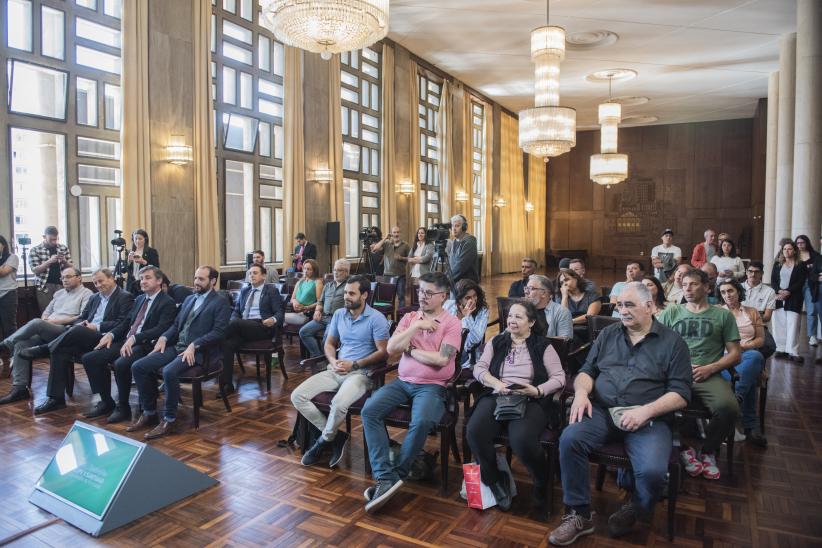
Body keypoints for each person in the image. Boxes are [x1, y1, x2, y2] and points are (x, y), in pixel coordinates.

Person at [549, 283, 691, 545]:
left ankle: (636, 506)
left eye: (630, 305)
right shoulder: (608, 335)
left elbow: (681, 394)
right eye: (619, 305)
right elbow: (587, 372)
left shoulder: (673, 343)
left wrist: (646, 411)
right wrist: (581, 393)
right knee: (570, 439)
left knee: (651, 472)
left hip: (648, 418)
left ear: (649, 306)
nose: (622, 311)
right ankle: (579, 514)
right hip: (603, 411)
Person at [360, 272, 462, 513]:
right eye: (421, 291)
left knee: (422, 421)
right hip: (402, 381)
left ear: (443, 296)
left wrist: (412, 349)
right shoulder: (409, 318)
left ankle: (397, 475)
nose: (423, 296)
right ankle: (385, 476)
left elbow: (440, 360)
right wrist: (416, 325)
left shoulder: (452, 323)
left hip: (432, 386)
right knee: (369, 411)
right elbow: (392, 349)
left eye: (429, 293)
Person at [466, 301, 565, 512]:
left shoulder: (542, 345)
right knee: (475, 431)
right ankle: (493, 479)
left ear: (531, 322)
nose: (512, 320)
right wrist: (496, 383)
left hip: (529, 398)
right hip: (497, 394)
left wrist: (537, 390)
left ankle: (541, 479)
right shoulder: (497, 341)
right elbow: (479, 368)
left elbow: (559, 378)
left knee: (522, 440)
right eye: (510, 316)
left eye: (518, 317)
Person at [291, 275, 390, 468]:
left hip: (361, 374)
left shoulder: (376, 318)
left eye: (351, 293)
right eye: (345, 292)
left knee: (338, 403)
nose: (346, 296)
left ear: (364, 295)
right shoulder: (338, 314)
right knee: (297, 396)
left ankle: (322, 442)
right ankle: (336, 437)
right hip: (335, 369)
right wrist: (333, 360)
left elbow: (383, 352)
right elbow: (329, 343)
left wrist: (355, 364)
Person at [128, 266, 230, 440]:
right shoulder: (189, 299)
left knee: (169, 371)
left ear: (213, 281)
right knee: (139, 366)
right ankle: (150, 411)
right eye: (196, 278)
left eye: (201, 279)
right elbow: (176, 326)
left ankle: (169, 419)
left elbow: (219, 332)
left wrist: (195, 345)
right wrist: (164, 338)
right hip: (178, 347)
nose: (196, 282)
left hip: (200, 353)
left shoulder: (220, 301)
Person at [658, 268, 741, 481]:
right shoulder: (672, 312)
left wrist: (711, 368)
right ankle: (684, 448)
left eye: (693, 284)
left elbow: (735, 354)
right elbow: (655, 346)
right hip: (675, 374)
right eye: (684, 285)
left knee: (728, 407)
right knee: (650, 401)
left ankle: (708, 451)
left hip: (708, 374)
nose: (688, 289)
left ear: (706, 287)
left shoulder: (722, 315)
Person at [80, 266, 177, 424]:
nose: (143, 281)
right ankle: (106, 402)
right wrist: (111, 334)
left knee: (121, 363)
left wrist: (136, 338)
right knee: (90, 359)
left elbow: (161, 329)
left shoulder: (167, 302)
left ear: (159, 281)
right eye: (141, 278)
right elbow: (126, 323)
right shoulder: (139, 299)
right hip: (126, 340)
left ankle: (123, 406)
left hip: (146, 345)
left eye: (147, 278)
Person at [31, 268, 135, 415]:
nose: (98, 285)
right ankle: (55, 399)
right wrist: (82, 324)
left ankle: (45, 348)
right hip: (88, 337)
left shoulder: (125, 297)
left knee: (77, 332)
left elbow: (123, 323)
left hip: (110, 338)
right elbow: (82, 317)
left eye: (101, 281)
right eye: (95, 282)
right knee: (60, 350)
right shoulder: (95, 298)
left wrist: (95, 326)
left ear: (112, 278)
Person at [0, 267, 92, 405]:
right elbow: (46, 312)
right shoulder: (59, 293)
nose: (65, 280)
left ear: (79, 277)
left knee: (37, 323)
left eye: (68, 276)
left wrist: (49, 321)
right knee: (22, 343)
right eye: (63, 277)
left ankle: (5, 344)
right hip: (48, 328)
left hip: (66, 331)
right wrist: (46, 320)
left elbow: (81, 317)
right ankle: (19, 389)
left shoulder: (87, 293)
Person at [717, 279, 767, 447]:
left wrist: (745, 346)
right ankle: (751, 427)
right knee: (749, 377)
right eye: (723, 292)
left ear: (738, 291)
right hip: (724, 357)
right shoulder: (717, 312)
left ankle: (734, 400)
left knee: (754, 357)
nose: (727, 295)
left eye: (730, 290)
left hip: (746, 355)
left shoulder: (752, 312)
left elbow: (761, 340)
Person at [220, 264, 285, 394]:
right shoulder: (245, 291)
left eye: (255, 273)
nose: (251, 276)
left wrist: (273, 320)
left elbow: (280, 313)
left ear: (264, 276)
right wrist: (234, 320)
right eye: (250, 273)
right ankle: (227, 385)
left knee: (232, 326)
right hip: (243, 327)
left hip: (262, 327)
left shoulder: (271, 291)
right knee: (227, 344)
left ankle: (213, 338)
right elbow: (236, 311)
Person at [299, 259, 349, 357]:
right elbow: (320, 301)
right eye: (334, 270)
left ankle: (324, 359)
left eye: (339, 270)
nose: (335, 272)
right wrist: (317, 310)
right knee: (303, 332)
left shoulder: (349, 286)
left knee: (326, 340)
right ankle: (318, 357)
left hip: (336, 319)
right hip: (323, 317)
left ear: (346, 272)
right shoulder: (328, 285)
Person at [770, 240, 805, 363]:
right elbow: (773, 280)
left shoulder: (800, 264)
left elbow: (800, 281)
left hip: (794, 297)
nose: (787, 251)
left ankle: (793, 351)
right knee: (779, 323)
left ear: (795, 251)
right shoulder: (777, 264)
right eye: (785, 249)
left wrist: (788, 291)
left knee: (793, 324)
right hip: (779, 297)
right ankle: (780, 349)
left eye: (789, 249)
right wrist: (779, 291)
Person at [444, 279, 490, 366]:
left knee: (442, 359)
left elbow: (475, 339)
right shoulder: (449, 305)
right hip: (444, 345)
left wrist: (467, 317)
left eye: (474, 296)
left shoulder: (483, 311)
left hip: (462, 351)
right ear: (459, 300)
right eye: (468, 298)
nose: (473, 300)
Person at [29, 226, 74, 312]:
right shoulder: (35, 250)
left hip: (62, 284)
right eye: (51, 239)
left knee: (63, 311)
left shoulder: (63, 248)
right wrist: (49, 261)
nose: (54, 242)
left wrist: (64, 261)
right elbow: (35, 270)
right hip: (44, 286)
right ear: (44, 237)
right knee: (46, 312)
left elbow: (71, 267)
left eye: (56, 239)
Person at [371, 226, 410, 306]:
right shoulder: (387, 243)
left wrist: (401, 258)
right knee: (386, 298)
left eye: (398, 232)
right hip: (387, 275)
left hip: (400, 276)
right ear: (391, 234)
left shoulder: (405, 245)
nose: (396, 234)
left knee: (401, 297)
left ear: (400, 233)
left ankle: (401, 317)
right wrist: (385, 238)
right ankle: (387, 314)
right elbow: (375, 249)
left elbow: (410, 259)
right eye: (394, 232)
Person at [525, 275, 573, 339]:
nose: (526, 292)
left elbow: (564, 341)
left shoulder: (561, 312)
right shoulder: (521, 310)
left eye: (531, 288)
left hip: (548, 348)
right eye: (526, 288)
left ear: (544, 293)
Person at [795, 235, 819, 346]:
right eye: (798, 243)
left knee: (811, 310)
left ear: (807, 243)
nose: (800, 245)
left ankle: (812, 336)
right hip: (795, 286)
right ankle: (792, 336)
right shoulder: (793, 255)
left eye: (802, 242)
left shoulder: (815, 256)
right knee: (793, 312)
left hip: (809, 285)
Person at [0, 236, 20, 372]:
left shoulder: (12, 257)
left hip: (8, 294)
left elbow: (2, 272)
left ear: (3, 245)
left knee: (9, 326)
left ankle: (14, 354)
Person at [284, 259, 323, 326]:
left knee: (277, 318)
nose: (305, 271)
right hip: (294, 311)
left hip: (306, 313)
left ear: (314, 271)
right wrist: (295, 302)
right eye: (304, 268)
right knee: (277, 318)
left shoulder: (317, 282)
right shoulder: (300, 282)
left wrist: (306, 307)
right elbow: (292, 299)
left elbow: (320, 302)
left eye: (308, 269)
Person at [125, 229, 160, 294]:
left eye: (140, 239)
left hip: (144, 282)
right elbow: (126, 270)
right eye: (135, 239)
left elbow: (156, 268)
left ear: (145, 239)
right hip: (131, 284)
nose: (137, 241)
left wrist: (144, 262)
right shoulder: (130, 252)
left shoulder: (151, 251)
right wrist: (129, 261)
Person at [447, 214, 479, 285]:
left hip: (467, 284)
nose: (454, 229)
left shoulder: (470, 241)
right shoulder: (455, 241)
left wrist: (446, 280)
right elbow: (451, 264)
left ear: (464, 227)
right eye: (453, 226)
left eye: (457, 226)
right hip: (456, 282)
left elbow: (461, 266)